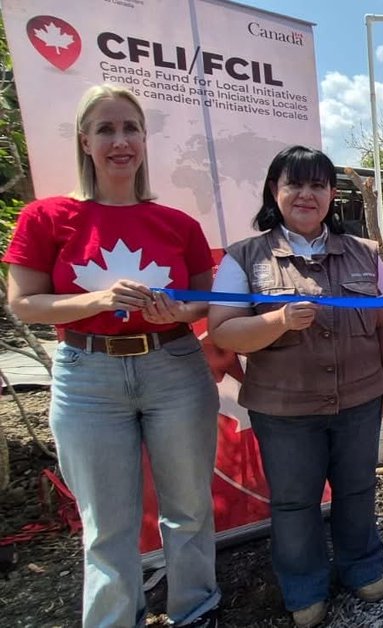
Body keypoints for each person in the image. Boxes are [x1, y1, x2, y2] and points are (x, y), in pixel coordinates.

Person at [3, 84, 220, 627]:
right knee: (106, 523)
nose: (119, 141)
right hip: (88, 378)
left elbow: (201, 304)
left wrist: (180, 315)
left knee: (190, 510)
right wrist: (97, 299)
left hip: (173, 369)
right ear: (85, 140)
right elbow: (24, 304)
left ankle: (196, 609)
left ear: (144, 140)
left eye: (129, 128)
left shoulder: (179, 225)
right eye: (105, 129)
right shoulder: (46, 217)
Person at [206, 146, 383, 628]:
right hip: (284, 410)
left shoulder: (365, 253)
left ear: (331, 194)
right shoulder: (244, 258)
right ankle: (305, 588)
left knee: (357, 490)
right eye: (294, 184)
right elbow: (222, 330)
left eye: (317, 185)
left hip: (359, 398)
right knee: (295, 502)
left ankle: (362, 567)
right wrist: (276, 321)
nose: (306, 195)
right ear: (275, 192)